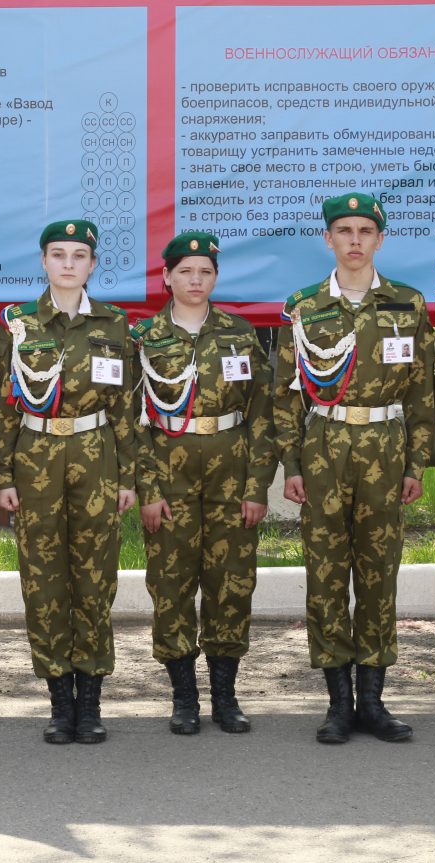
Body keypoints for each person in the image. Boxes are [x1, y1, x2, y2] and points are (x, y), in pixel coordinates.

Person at [272, 193, 433, 744]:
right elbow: (285, 397)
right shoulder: (304, 307)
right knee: (325, 576)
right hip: (324, 446)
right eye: (345, 230)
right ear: (329, 239)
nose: (356, 240)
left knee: (378, 573)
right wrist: (291, 464)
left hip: (386, 447)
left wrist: (416, 462)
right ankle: (338, 704)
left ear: (380, 239)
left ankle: (375, 702)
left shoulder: (407, 305)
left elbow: (420, 394)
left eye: (366, 230)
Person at [0, 219, 137, 745]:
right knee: (43, 578)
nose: (69, 263)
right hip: (36, 456)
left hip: (96, 455)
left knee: (95, 578)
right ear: (44, 262)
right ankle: (58, 702)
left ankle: (91, 702)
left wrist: (127, 476)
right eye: (58, 254)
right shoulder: (18, 325)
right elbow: (5, 409)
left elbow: (125, 408)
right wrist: (3, 476)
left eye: (79, 255)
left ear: (93, 265)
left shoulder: (116, 326)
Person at [132, 231, 277, 735]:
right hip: (169, 475)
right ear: (166, 276)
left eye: (206, 272)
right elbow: (135, 423)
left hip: (230, 474)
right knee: (171, 583)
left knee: (232, 582)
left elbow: (263, 413)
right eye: (186, 271)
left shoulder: (239, 333)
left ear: (215, 277)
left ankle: (226, 696)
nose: (196, 280)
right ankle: (183, 697)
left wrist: (257, 487)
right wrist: (148, 490)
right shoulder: (145, 338)